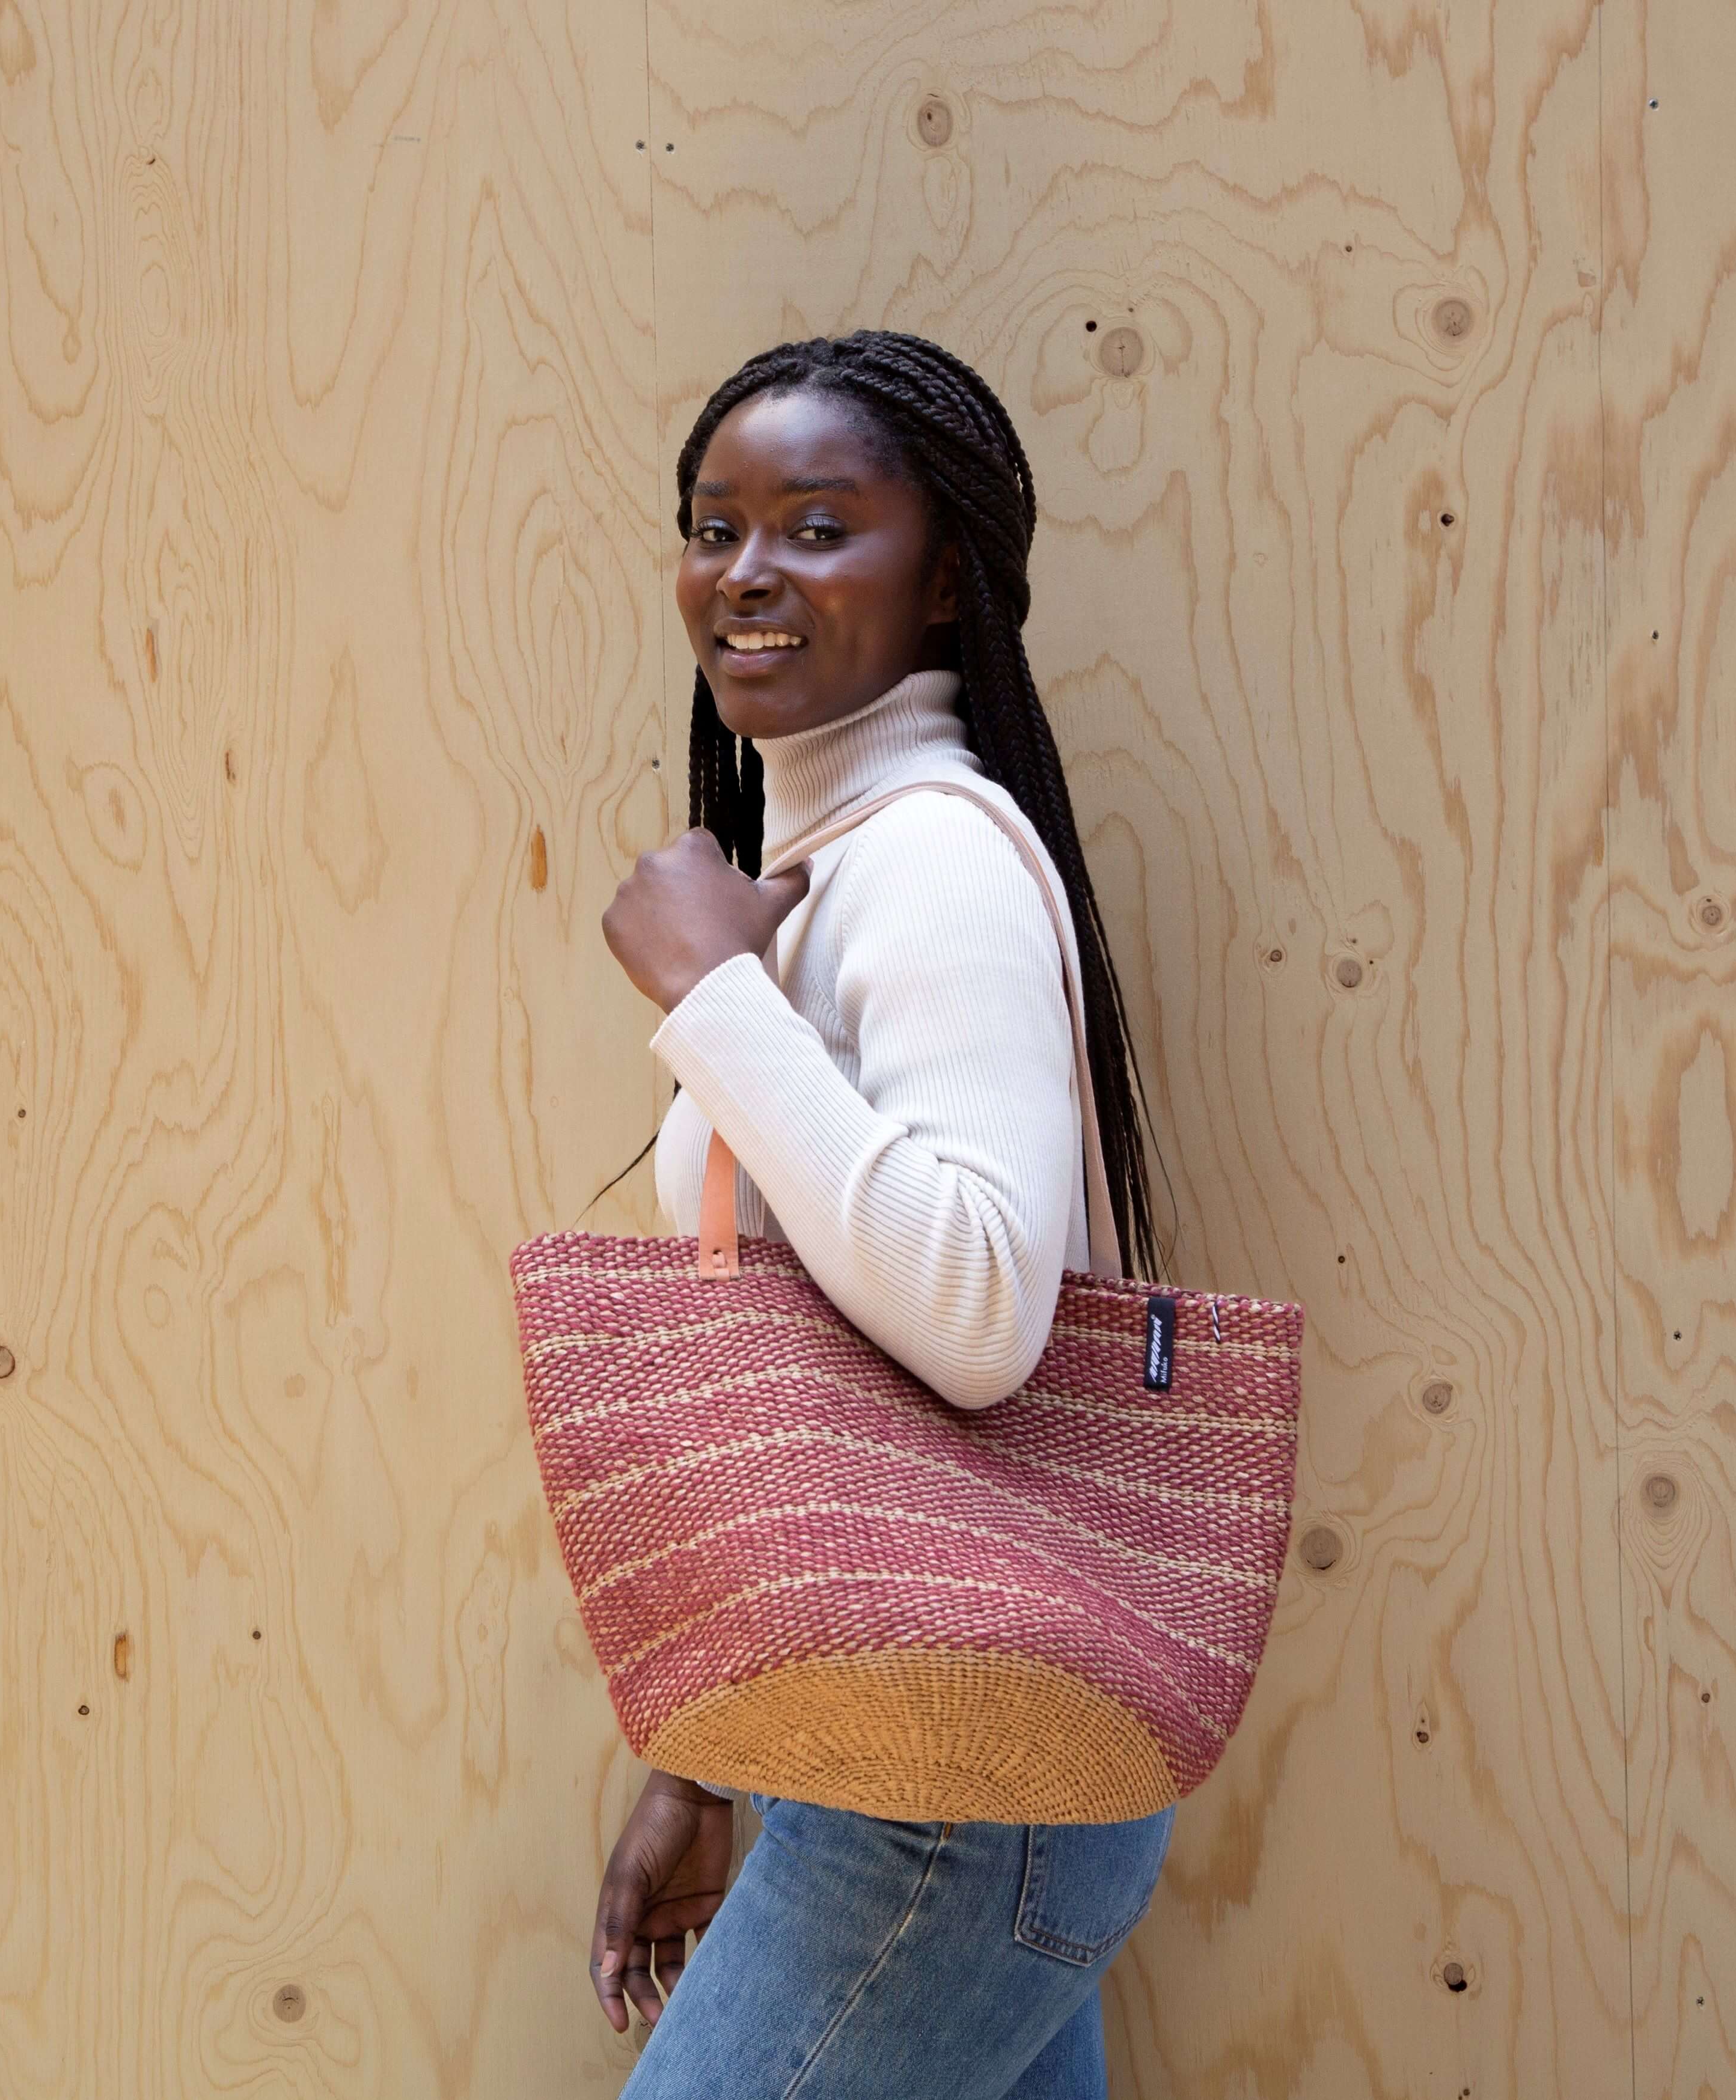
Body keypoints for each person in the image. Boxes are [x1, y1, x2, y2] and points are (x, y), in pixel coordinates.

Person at [591, 331, 1174, 2099]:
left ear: (943, 590)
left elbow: (981, 1314)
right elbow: (804, 1359)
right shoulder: (829, 870)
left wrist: (711, 998)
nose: (749, 573)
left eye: (821, 526)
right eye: (718, 524)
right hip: (917, 1769)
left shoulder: (927, 862)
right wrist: (712, 1753)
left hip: (944, 1794)